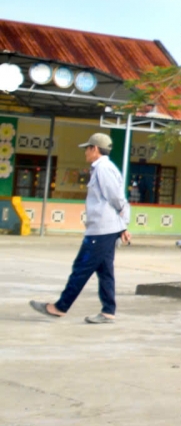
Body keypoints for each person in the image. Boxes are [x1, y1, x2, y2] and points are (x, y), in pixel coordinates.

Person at [30, 133, 129, 324]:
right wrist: (122, 226)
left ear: (95, 149)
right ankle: (108, 311)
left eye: (87, 148)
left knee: (81, 268)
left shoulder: (103, 168)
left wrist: (123, 222)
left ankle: (60, 307)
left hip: (101, 230)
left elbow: (116, 198)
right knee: (105, 271)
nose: (85, 152)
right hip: (106, 228)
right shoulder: (102, 168)